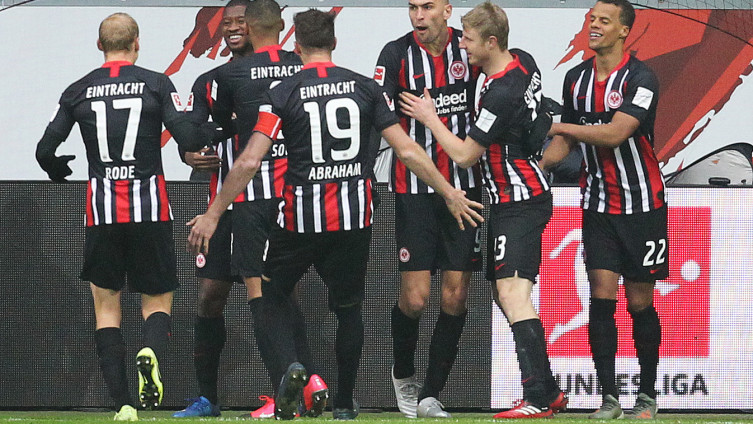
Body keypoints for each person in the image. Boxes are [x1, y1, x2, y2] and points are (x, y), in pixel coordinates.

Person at [187, 8, 483, 420]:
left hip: (300, 218)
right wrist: (449, 191)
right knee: (348, 309)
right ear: (335, 43)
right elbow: (406, 149)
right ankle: (343, 402)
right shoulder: (364, 87)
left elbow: (250, 160)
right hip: (353, 218)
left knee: (269, 294)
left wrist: (214, 212)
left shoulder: (284, 91)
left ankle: (293, 367)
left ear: (296, 46)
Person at [399, 2, 567, 418]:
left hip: (519, 200)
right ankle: (549, 390)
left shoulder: (501, 92)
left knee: (512, 294)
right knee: (504, 293)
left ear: (492, 42)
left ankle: (537, 398)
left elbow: (464, 155)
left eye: (470, 40)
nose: (463, 46)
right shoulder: (522, 61)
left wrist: (430, 118)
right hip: (514, 197)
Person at [35, 13, 204, 422]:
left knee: (107, 307)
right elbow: (188, 138)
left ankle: (123, 404)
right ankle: (151, 351)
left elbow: (44, 151)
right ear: (137, 43)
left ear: (100, 46)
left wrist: (57, 168)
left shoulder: (78, 90)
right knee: (157, 299)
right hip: (150, 210)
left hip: (103, 213)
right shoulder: (156, 84)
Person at [540, 0, 667, 419]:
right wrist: (538, 167)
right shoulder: (575, 78)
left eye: (604, 21)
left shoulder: (641, 78)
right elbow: (566, 143)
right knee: (600, 295)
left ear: (624, 31)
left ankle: (646, 395)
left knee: (640, 301)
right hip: (597, 202)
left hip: (643, 203)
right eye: (592, 19)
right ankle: (609, 398)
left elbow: (615, 133)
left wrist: (558, 124)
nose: (594, 26)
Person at [209, 0, 328, 418]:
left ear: (249, 28)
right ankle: (312, 382)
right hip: (299, 196)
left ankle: (286, 390)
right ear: (282, 26)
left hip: (254, 197)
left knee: (260, 295)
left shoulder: (229, 75)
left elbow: (221, 126)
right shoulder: (302, 67)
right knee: (286, 293)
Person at [374, 0, 481, 417]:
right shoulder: (395, 55)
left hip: (466, 188)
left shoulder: (469, 49)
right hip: (414, 189)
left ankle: (430, 395)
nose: (419, 16)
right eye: (413, 7)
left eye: (427, 7)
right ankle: (404, 374)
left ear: (447, 11)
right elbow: (382, 120)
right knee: (416, 299)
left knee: (455, 296)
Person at [172, 0, 260, 418]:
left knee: (277, 298)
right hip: (222, 209)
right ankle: (207, 397)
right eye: (226, 23)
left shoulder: (282, 75)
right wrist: (189, 154)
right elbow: (190, 133)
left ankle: (287, 391)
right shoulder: (208, 81)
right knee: (209, 297)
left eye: (240, 21)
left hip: (273, 206)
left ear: (258, 25)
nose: (232, 28)